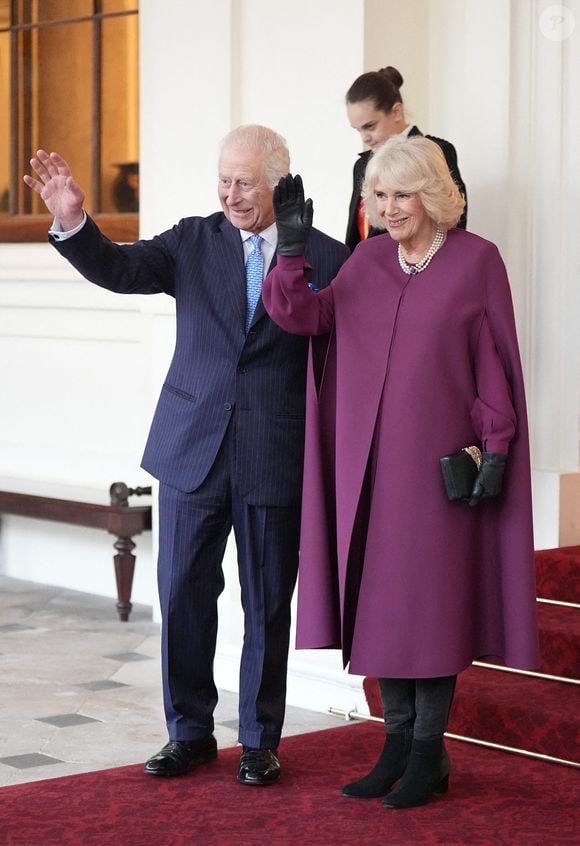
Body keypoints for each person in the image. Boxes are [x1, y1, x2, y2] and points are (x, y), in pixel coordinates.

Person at [23, 125, 349, 787]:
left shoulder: (325, 255)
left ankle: (259, 740)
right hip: (191, 447)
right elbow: (120, 270)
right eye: (223, 179)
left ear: (278, 185)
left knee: (265, 606)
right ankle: (189, 733)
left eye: (245, 182)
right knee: (181, 593)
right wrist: (73, 221)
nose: (230, 193)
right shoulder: (193, 239)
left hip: (272, 453)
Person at [261, 135, 539, 809]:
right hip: (372, 473)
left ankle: (426, 755)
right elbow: (302, 316)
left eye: (402, 195)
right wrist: (292, 253)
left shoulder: (478, 262)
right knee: (384, 612)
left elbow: (494, 357)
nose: (389, 208)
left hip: (439, 474)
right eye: (378, 196)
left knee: (431, 615)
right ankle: (397, 747)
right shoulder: (368, 263)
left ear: (434, 196)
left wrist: (496, 445)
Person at [345, 66, 467, 251]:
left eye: (370, 126)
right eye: (358, 129)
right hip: (367, 270)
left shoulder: (436, 151)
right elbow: (356, 235)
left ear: (396, 112)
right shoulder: (362, 165)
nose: (364, 137)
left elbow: (452, 222)